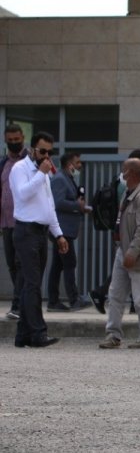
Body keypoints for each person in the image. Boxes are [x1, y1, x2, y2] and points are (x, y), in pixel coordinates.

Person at [10, 131, 69, 348]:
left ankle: (23, 335)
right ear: (32, 148)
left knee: (29, 284)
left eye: (49, 152)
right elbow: (22, 194)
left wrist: (59, 234)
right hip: (26, 231)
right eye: (42, 151)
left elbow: (49, 206)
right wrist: (40, 174)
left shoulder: (43, 173)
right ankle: (37, 333)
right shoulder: (20, 169)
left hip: (41, 232)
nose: (46, 156)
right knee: (33, 284)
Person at [99, 158, 140, 349]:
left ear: (131, 173)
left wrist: (132, 253)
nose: (121, 174)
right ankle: (113, 334)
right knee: (115, 294)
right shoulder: (129, 192)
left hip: (139, 255)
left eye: (123, 170)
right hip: (123, 250)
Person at [89, 149, 140, 315]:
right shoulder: (127, 184)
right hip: (127, 234)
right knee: (127, 268)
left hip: (123, 232)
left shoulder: (121, 181)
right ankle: (101, 293)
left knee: (125, 269)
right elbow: (137, 213)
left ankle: (113, 299)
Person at [47, 151, 90, 311]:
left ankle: (53, 301)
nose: (80, 166)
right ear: (69, 164)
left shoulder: (68, 179)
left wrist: (80, 208)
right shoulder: (59, 179)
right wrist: (76, 206)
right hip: (61, 230)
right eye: (77, 163)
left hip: (66, 229)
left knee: (58, 265)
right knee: (69, 263)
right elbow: (57, 203)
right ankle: (73, 299)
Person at [2, 123, 28, 320]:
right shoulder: (3, 163)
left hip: (25, 222)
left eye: (16, 140)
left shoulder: (31, 161)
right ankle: (22, 301)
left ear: (23, 138)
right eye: (10, 140)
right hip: (6, 223)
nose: (13, 143)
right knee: (12, 264)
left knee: (21, 264)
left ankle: (18, 305)